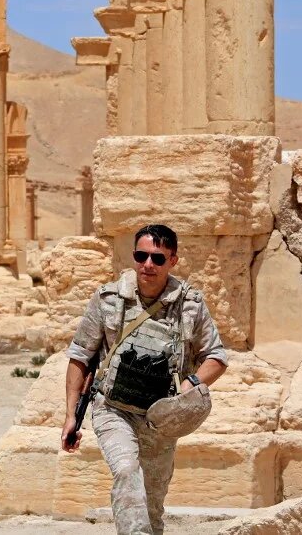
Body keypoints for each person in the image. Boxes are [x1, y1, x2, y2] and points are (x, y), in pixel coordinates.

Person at [61, 224, 229, 535]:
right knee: (126, 472)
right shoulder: (108, 298)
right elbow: (81, 356)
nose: (148, 265)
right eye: (141, 256)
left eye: (157, 258)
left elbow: (216, 357)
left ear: (173, 260)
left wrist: (186, 388)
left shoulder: (189, 304)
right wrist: (72, 415)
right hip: (114, 409)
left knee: (151, 506)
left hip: (162, 418)